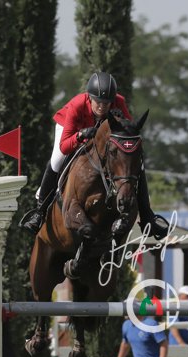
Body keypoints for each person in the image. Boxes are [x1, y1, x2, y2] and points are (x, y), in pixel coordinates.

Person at [21, 71, 168, 239]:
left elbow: (129, 134)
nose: (102, 107)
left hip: (100, 137)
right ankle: (39, 211)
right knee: (57, 160)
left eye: (107, 103)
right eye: (98, 102)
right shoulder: (77, 105)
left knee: (137, 165)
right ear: (90, 97)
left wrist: (121, 122)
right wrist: (80, 135)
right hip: (71, 130)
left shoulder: (118, 102)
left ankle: (147, 216)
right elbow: (64, 145)